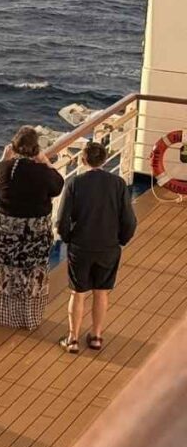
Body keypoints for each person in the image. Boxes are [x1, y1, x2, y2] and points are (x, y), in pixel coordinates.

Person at [0, 126, 64, 330]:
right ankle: (28, 318)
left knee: (1, 272)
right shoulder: (43, 172)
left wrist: (3, 158)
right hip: (35, 236)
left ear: (13, 147)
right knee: (31, 275)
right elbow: (58, 185)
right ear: (35, 149)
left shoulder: (5, 168)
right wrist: (45, 161)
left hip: (8, 235)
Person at [56, 141, 137, 353]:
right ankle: (96, 337)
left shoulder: (75, 183)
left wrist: (68, 238)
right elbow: (129, 220)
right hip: (108, 246)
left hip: (80, 246)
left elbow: (62, 220)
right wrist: (120, 240)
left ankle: (72, 339)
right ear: (105, 159)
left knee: (78, 293)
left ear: (83, 160)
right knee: (102, 293)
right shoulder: (118, 184)